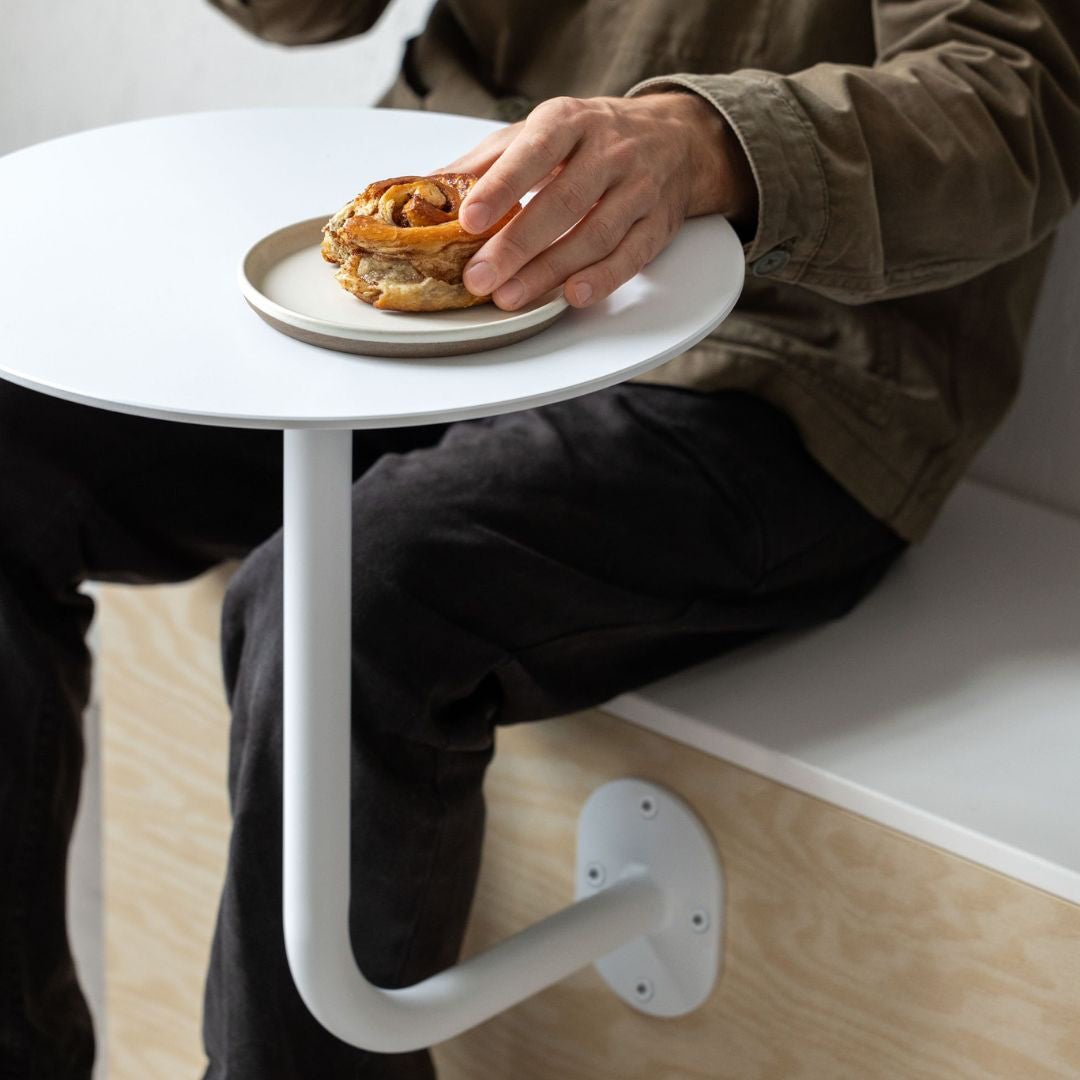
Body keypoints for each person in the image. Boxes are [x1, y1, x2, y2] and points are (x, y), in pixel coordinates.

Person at [1, 0, 1077, 1077]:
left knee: (342, 605)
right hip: (434, 273)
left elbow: (1016, 96)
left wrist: (705, 146)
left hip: (775, 344)